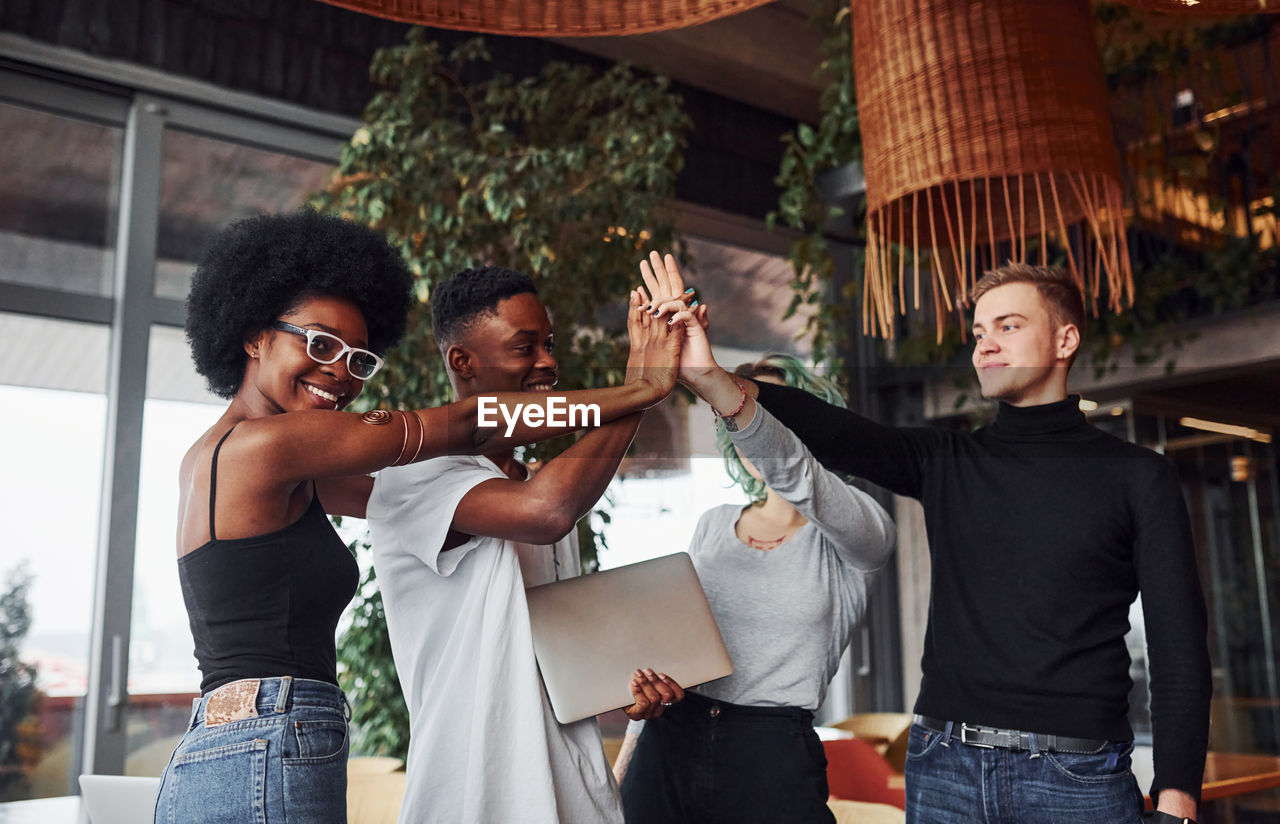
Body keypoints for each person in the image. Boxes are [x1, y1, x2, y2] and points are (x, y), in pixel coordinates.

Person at [643, 253, 1211, 824]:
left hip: (1075, 779)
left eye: (1008, 326)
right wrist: (712, 378)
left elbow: (1178, 649)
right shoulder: (948, 460)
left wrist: (1177, 798)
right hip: (946, 770)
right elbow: (834, 434)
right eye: (978, 333)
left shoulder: (1139, 476)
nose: (984, 345)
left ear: (1066, 340)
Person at [157, 212, 680, 824]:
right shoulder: (267, 447)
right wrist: (645, 388)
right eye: (320, 344)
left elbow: (456, 470)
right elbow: (467, 431)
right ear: (252, 336)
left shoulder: (252, 463)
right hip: (269, 739)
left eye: (357, 360)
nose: (338, 373)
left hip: (250, 739)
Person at [364, 265, 685, 824]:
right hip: (474, 797)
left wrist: (624, 690)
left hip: (578, 797)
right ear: (461, 361)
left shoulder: (544, 476)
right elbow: (545, 512)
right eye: (524, 347)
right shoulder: (414, 475)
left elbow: (557, 651)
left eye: (549, 344)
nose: (548, 361)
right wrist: (642, 390)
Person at [612, 352, 897, 824]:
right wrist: (621, 772)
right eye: (739, 415)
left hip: (772, 757)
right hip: (670, 742)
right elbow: (673, 648)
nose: (753, 430)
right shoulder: (713, 524)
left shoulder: (857, 533)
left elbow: (802, 476)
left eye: (767, 414)